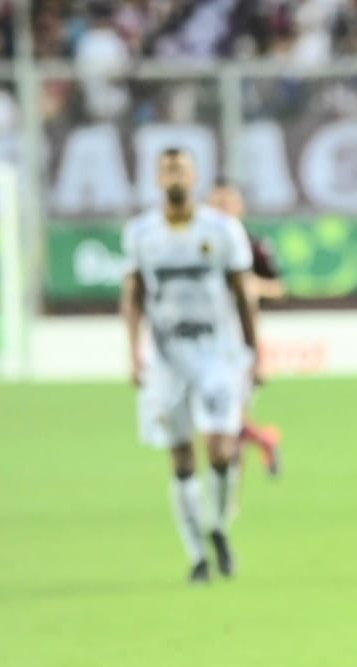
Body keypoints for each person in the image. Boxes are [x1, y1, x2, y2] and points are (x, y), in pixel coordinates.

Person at [122, 148, 260, 583]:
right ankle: (198, 555)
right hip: (167, 356)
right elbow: (133, 295)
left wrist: (254, 351)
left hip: (217, 351)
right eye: (168, 170)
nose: (175, 177)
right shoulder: (141, 232)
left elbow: (242, 291)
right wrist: (133, 351)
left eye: (181, 169)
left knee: (221, 448)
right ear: (157, 179)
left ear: (195, 176)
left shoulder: (222, 230)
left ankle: (219, 526)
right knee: (180, 454)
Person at [208, 179, 284, 478]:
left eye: (228, 202)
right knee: (218, 424)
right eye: (217, 203)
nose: (222, 209)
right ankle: (265, 440)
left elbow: (279, 287)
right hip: (204, 342)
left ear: (240, 206)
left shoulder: (253, 246)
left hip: (239, 343)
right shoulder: (199, 246)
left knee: (227, 425)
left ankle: (229, 498)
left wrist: (252, 287)